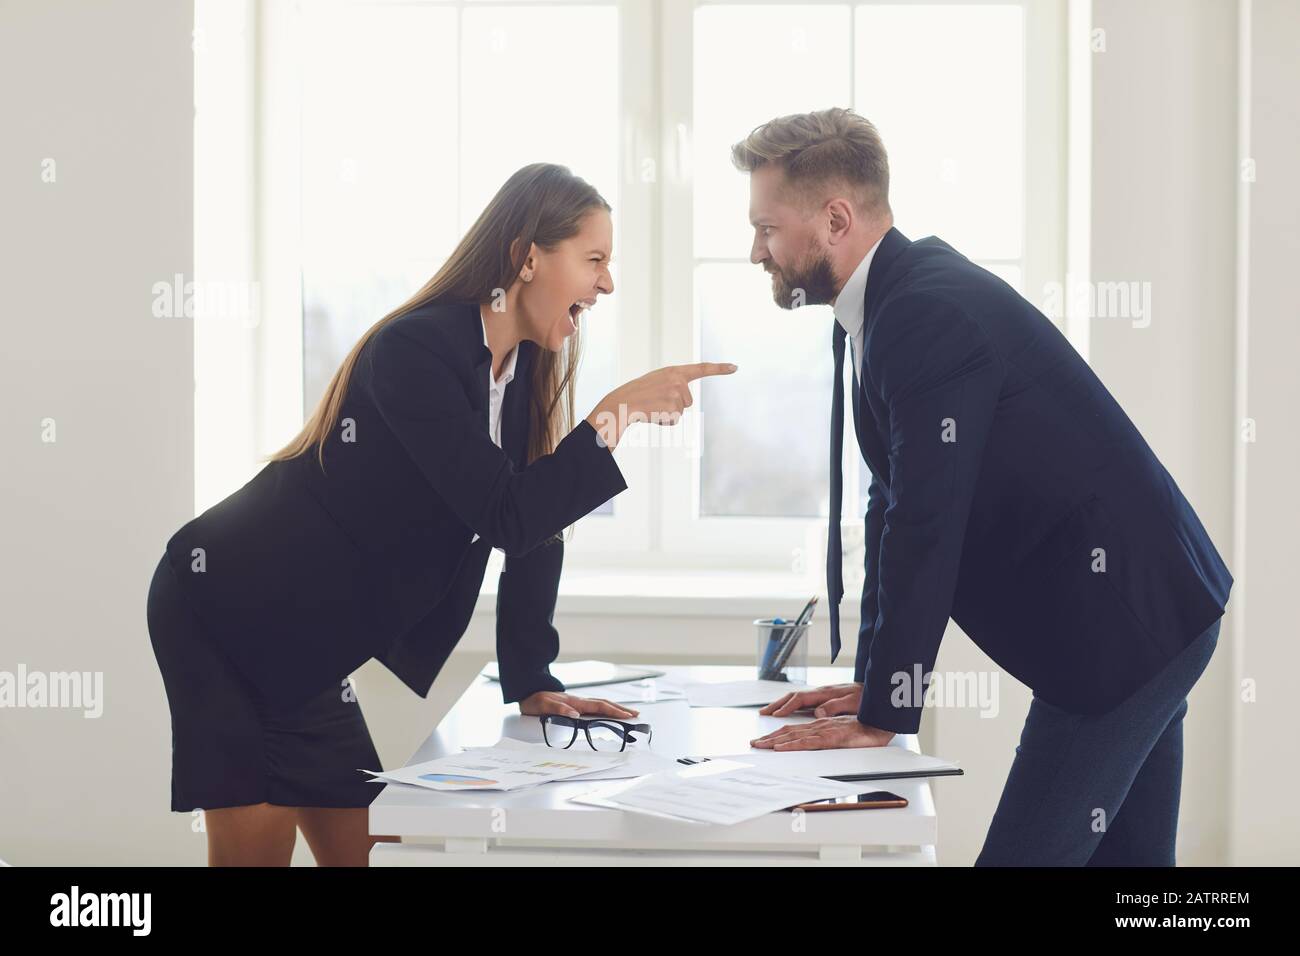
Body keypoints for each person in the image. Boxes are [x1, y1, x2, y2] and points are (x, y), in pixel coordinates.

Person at [146, 162, 736, 865]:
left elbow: (534, 528)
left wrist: (533, 677)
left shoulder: (515, 373)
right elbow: (506, 512)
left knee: (361, 852)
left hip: (314, 641)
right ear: (526, 258)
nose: (606, 283)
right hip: (228, 608)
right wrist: (616, 414)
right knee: (257, 854)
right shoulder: (414, 351)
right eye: (594, 260)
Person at [733, 109, 1231, 865]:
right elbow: (892, 501)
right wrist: (875, 685)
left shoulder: (920, 314)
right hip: (1146, 609)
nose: (754, 252)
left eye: (766, 229)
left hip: (1128, 625)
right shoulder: (885, 304)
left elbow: (926, 524)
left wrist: (885, 710)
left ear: (834, 219)